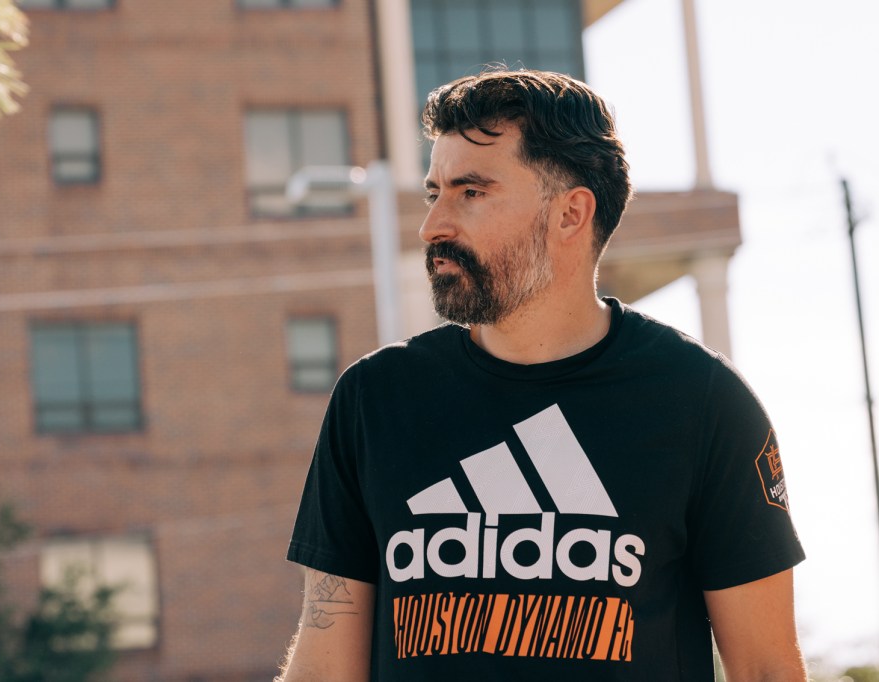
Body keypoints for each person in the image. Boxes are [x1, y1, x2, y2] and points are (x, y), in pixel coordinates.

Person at [277, 69, 806, 681]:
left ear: (570, 215)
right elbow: (322, 668)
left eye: (471, 192)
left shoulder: (702, 402)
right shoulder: (375, 400)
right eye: (434, 193)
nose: (433, 226)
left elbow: (767, 669)